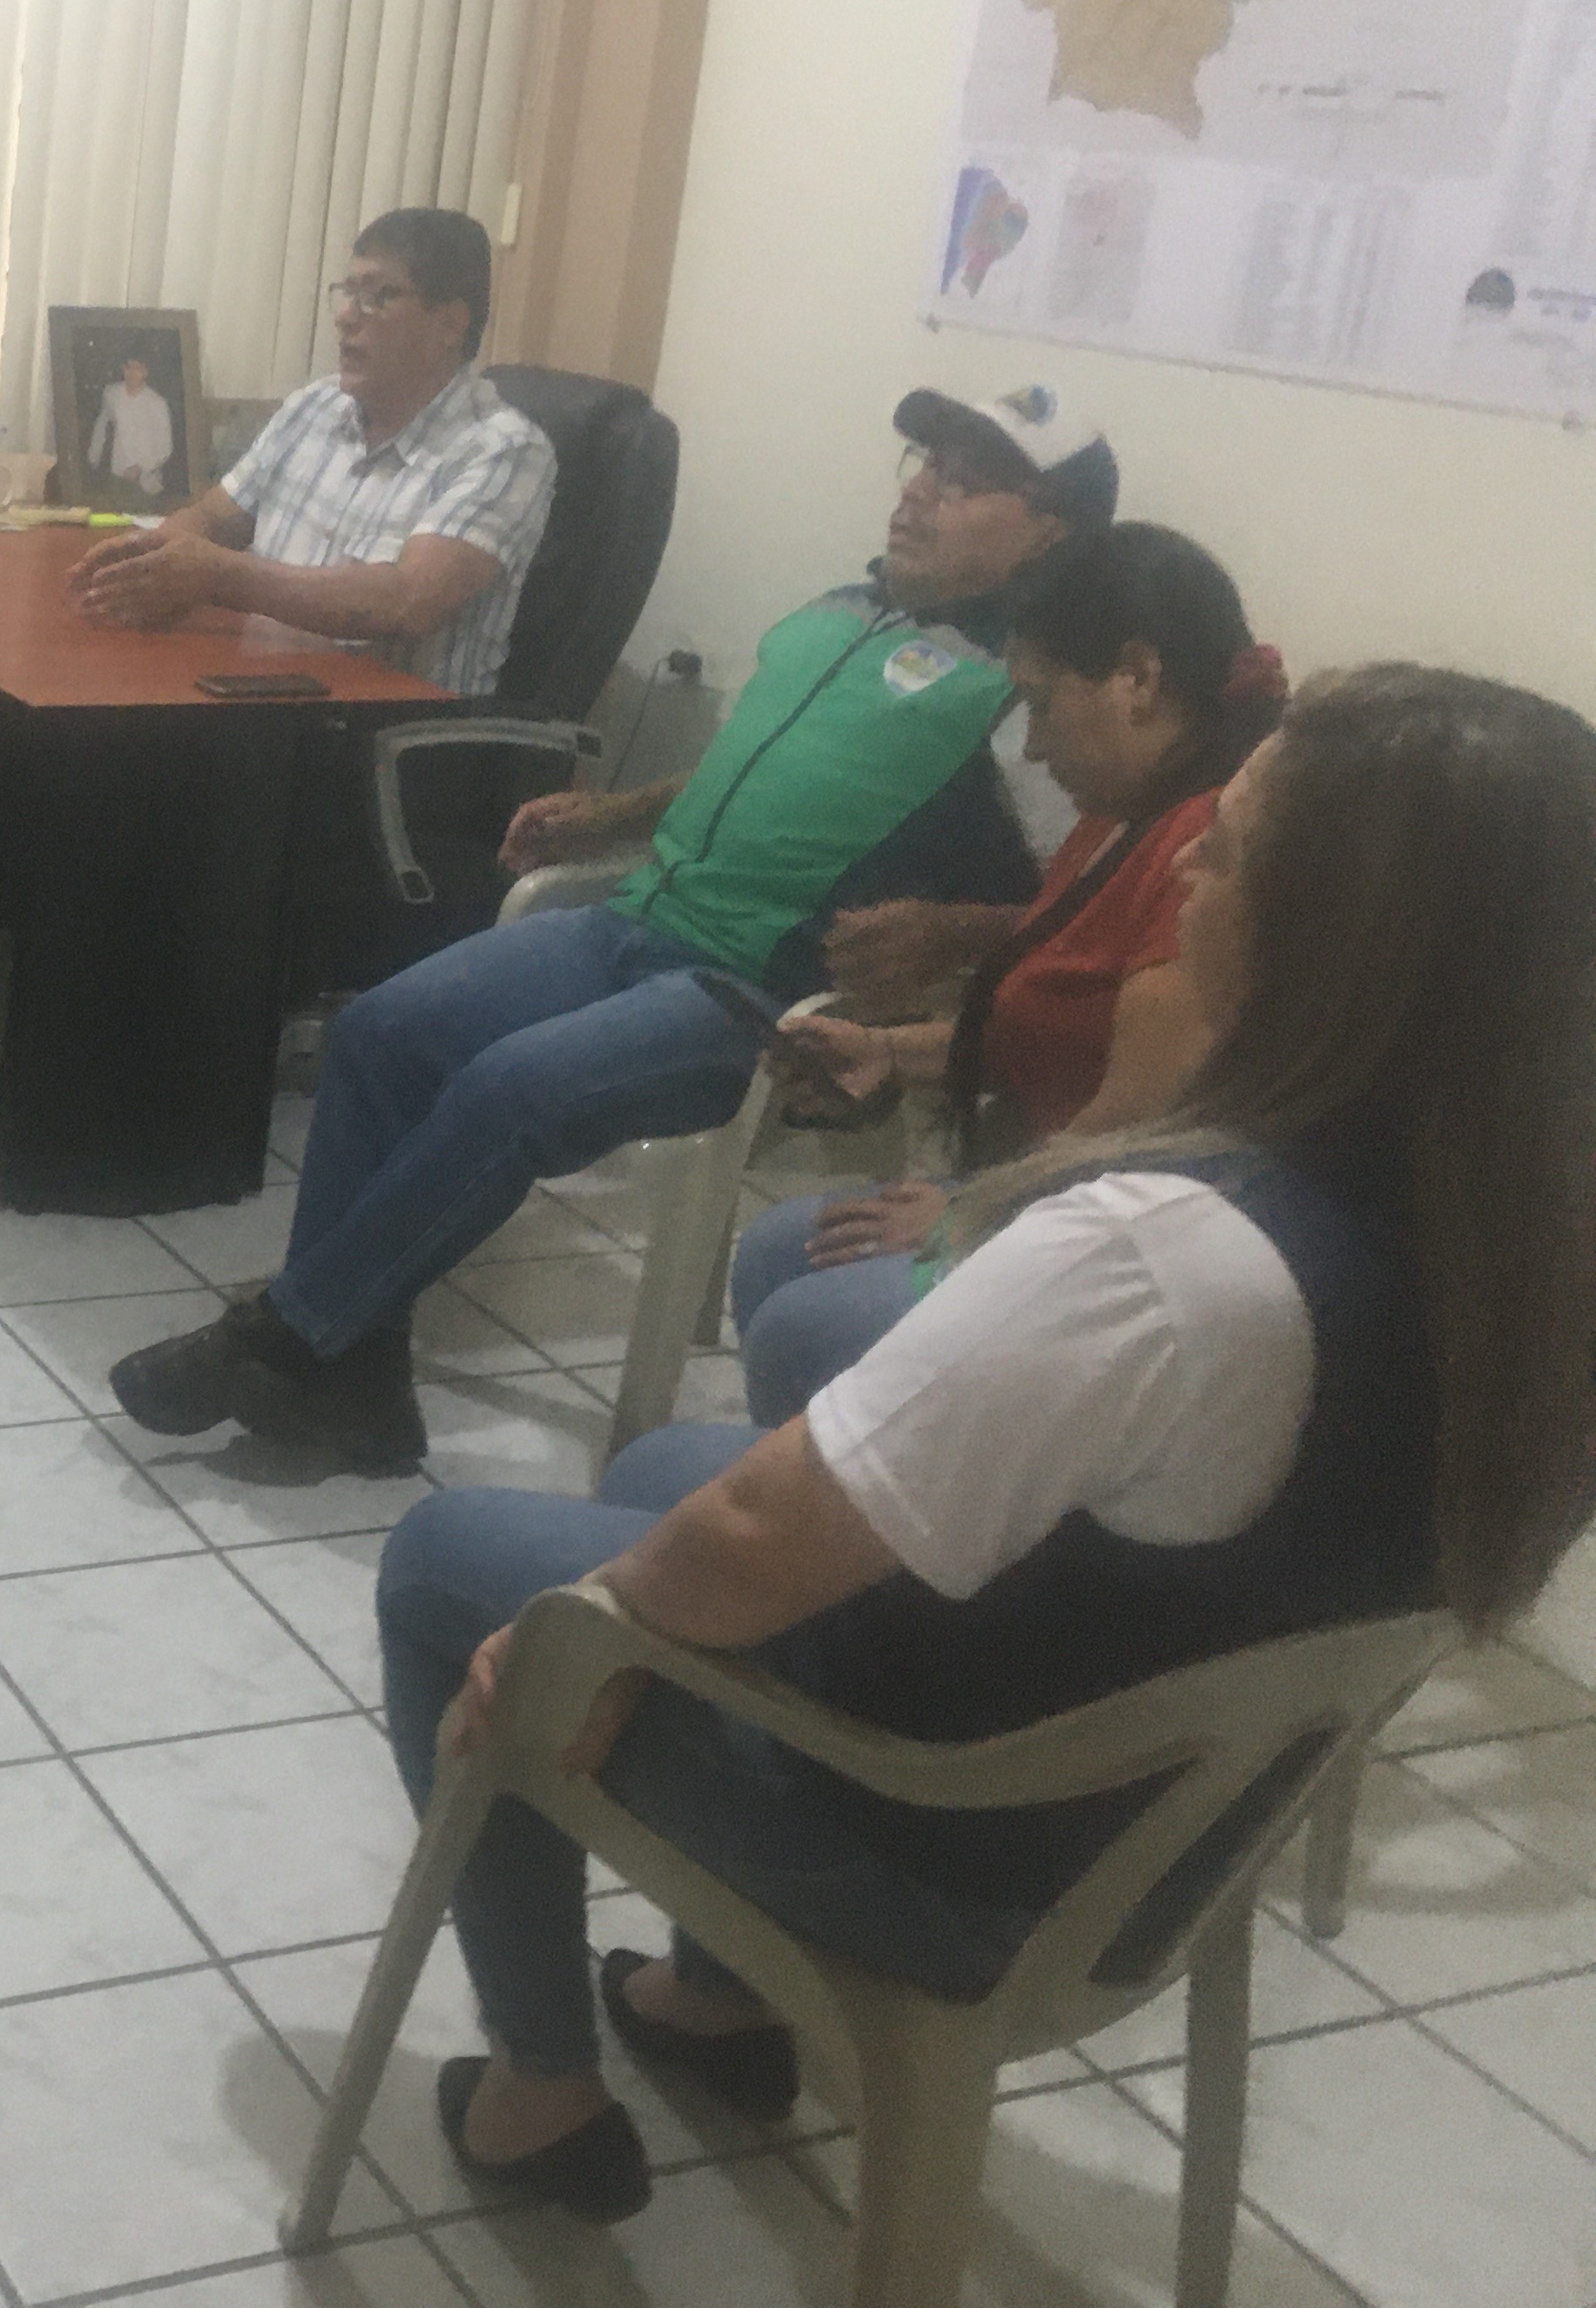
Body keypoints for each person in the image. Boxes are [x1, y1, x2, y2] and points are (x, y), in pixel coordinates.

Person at [367, 663, 1596, 2224]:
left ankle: (538, 2090)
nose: (1189, 869)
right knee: (665, 1471)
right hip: (1169, 1841)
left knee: (450, 1561)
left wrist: (590, 1635)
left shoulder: (1166, 1253)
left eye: (1228, 846)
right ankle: (714, 2000)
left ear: (1335, 936)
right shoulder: (1526, 1247)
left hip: (948, 1852)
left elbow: (754, 1542)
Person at [110, 383, 1116, 1467]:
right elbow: (751, 772)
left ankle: (287, 1334)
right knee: (380, 1032)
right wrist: (618, 812)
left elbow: (1091, 903)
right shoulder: (847, 609)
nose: (918, 494)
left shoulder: (1035, 689)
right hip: (635, 920)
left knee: (511, 1087)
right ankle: (352, 1381)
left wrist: (955, 930)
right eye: (924, 466)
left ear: (1049, 532)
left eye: (963, 485)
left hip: (758, 993)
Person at [731, 523, 1284, 1425]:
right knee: (777, 1250)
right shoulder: (1119, 815)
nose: (1031, 749)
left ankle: (849, 1496)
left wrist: (974, 1215)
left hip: (1107, 1226)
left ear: (1137, 679)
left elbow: (1146, 1123)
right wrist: (883, 1049)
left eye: (1040, 704)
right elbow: (1051, 1024)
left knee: (808, 1325)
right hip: (1053, 1186)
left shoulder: (1201, 848)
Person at [68, 207, 556, 696]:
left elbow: (408, 602)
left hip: (383, 724)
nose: (346, 317)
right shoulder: (315, 406)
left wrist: (214, 575)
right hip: (254, 691)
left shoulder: (504, 449)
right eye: (347, 293)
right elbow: (215, 517)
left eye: (378, 296)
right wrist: (145, 564)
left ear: (450, 324)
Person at [84, 352, 178, 500]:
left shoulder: (157, 403)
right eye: (129, 367)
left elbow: (165, 447)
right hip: (117, 476)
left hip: (146, 482)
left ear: (146, 372)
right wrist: (94, 456)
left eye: (138, 369)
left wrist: (140, 467)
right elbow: (101, 425)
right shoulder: (112, 394)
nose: (132, 373)